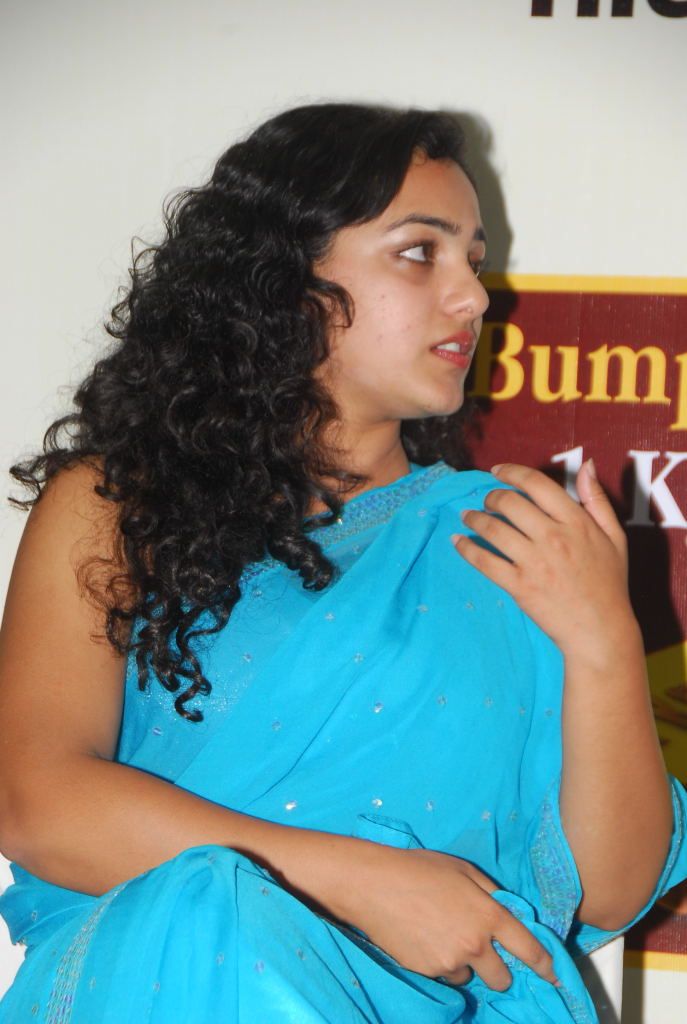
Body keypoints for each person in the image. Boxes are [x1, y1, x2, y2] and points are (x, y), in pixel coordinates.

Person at [0, 102, 684, 1024]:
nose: (474, 298)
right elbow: (36, 801)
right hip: (163, 978)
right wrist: (354, 882)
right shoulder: (116, 505)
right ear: (282, 278)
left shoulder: (509, 539)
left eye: (473, 261)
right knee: (211, 921)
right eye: (419, 252)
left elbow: (604, 894)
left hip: (447, 1004)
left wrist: (604, 640)